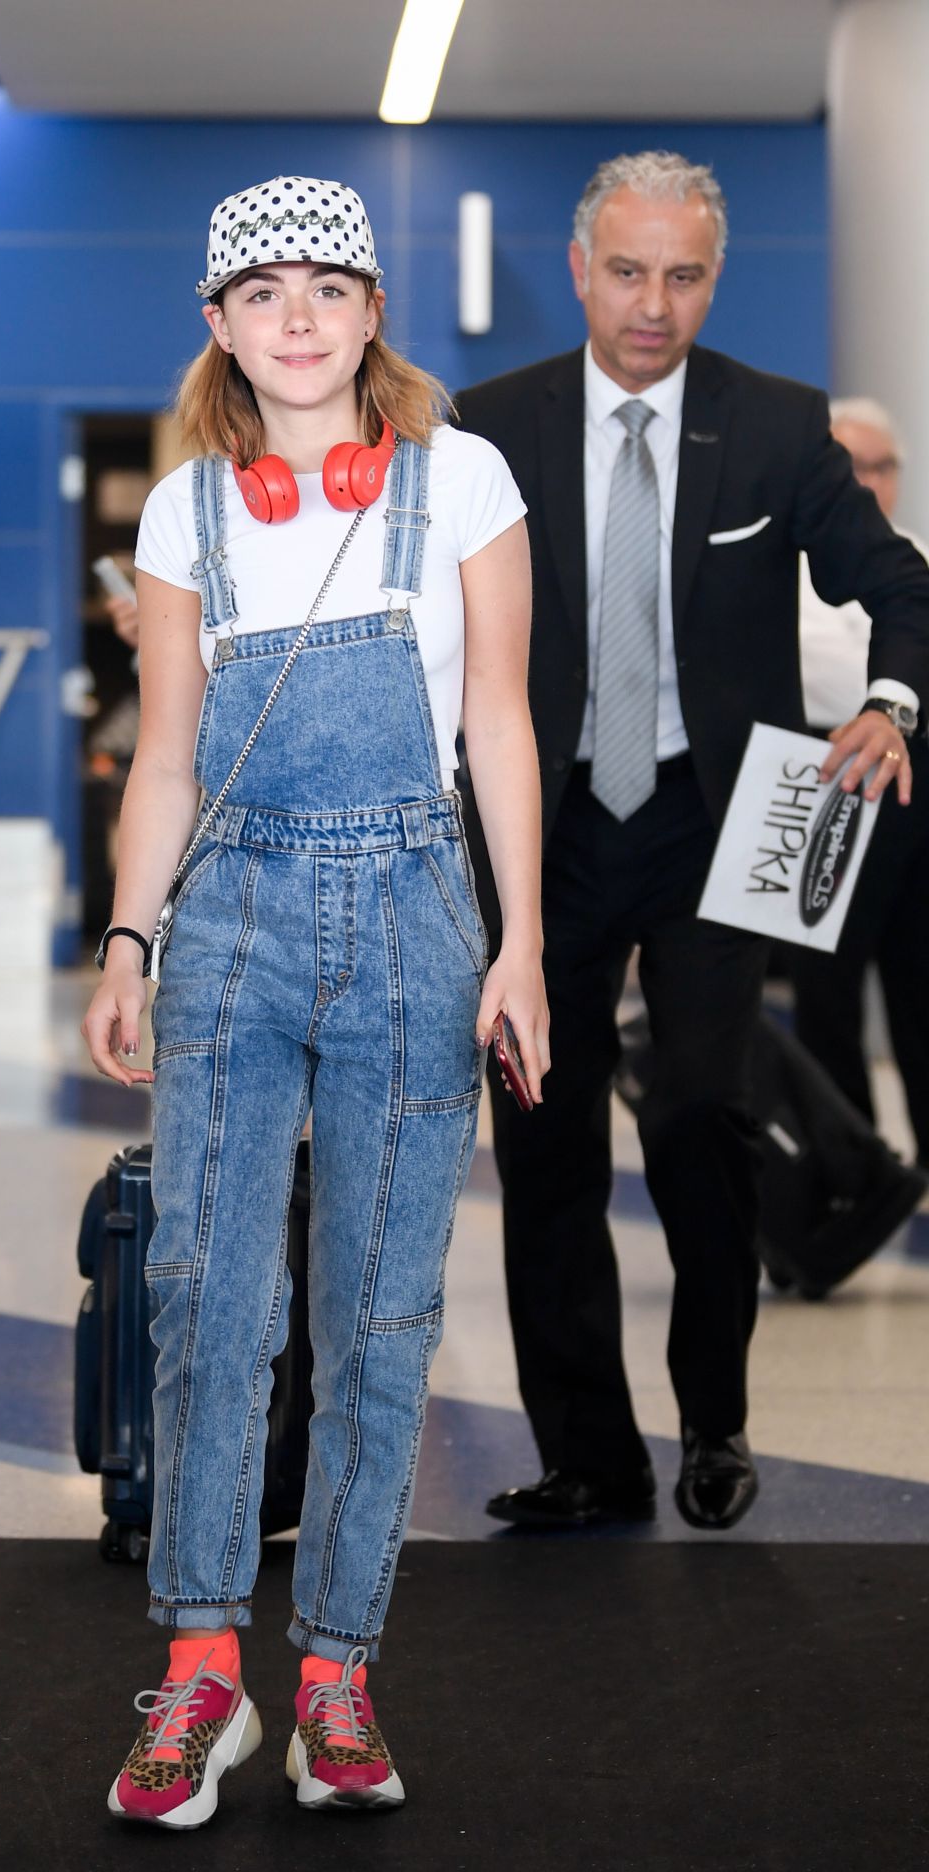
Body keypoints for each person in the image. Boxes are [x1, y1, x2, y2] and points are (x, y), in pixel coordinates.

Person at [82, 174, 545, 1827]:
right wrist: (132, 936)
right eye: (261, 289)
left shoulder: (464, 479)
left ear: (369, 315)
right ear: (218, 324)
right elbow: (168, 755)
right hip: (234, 918)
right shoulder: (185, 511)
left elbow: (498, 721)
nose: (297, 314)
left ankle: (337, 1669)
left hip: (420, 908)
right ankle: (203, 1666)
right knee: (211, 1298)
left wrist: (523, 943)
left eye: (327, 287)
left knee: (379, 1313)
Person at [455, 150, 929, 1535]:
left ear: (714, 277)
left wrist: (894, 702)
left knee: (699, 1123)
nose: (653, 303)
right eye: (627, 270)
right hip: (541, 836)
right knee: (542, 1144)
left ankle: (714, 1421)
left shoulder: (777, 426)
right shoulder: (490, 428)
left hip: (718, 831)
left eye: (683, 275)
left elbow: (897, 583)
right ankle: (590, 1457)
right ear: (579, 268)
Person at [790, 398, 929, 1167]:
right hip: (823, 775)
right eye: (852, 466)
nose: (868, 482)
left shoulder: (914, 560)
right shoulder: (791, 562)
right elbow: (823, 675)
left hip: (914, 780)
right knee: (828, 987)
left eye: (881, 467)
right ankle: (847, 1167)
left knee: (918, 981)